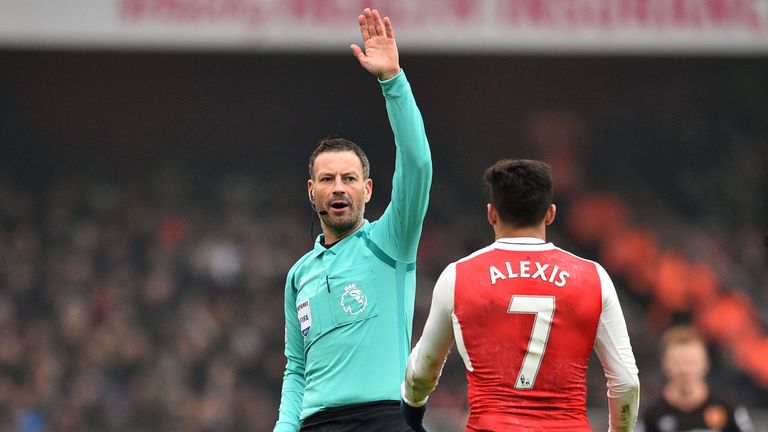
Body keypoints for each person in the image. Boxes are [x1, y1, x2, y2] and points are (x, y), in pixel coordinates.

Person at [273, 8, 432, 432]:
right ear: (312, 192)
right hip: (316, 424)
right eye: (327, 179)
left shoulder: (391, 243)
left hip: (385, 418)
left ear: (368, 189)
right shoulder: (298, 275)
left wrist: (393, 83)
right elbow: (296, 369)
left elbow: (416, 164)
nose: (338, 187)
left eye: (349, 178)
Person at [400, 159, 639, 431]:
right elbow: (626, 381)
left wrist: (412, 411)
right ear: (550, 214)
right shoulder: (592, 277)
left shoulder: (459, 276)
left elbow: (422, 371)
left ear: (491, 213)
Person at [640, 325, 755, 432]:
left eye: (691, 362)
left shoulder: (729, 409)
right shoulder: (651, 415)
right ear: (665, 365)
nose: (685, 370)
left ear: (705, 364)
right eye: (677, 363)